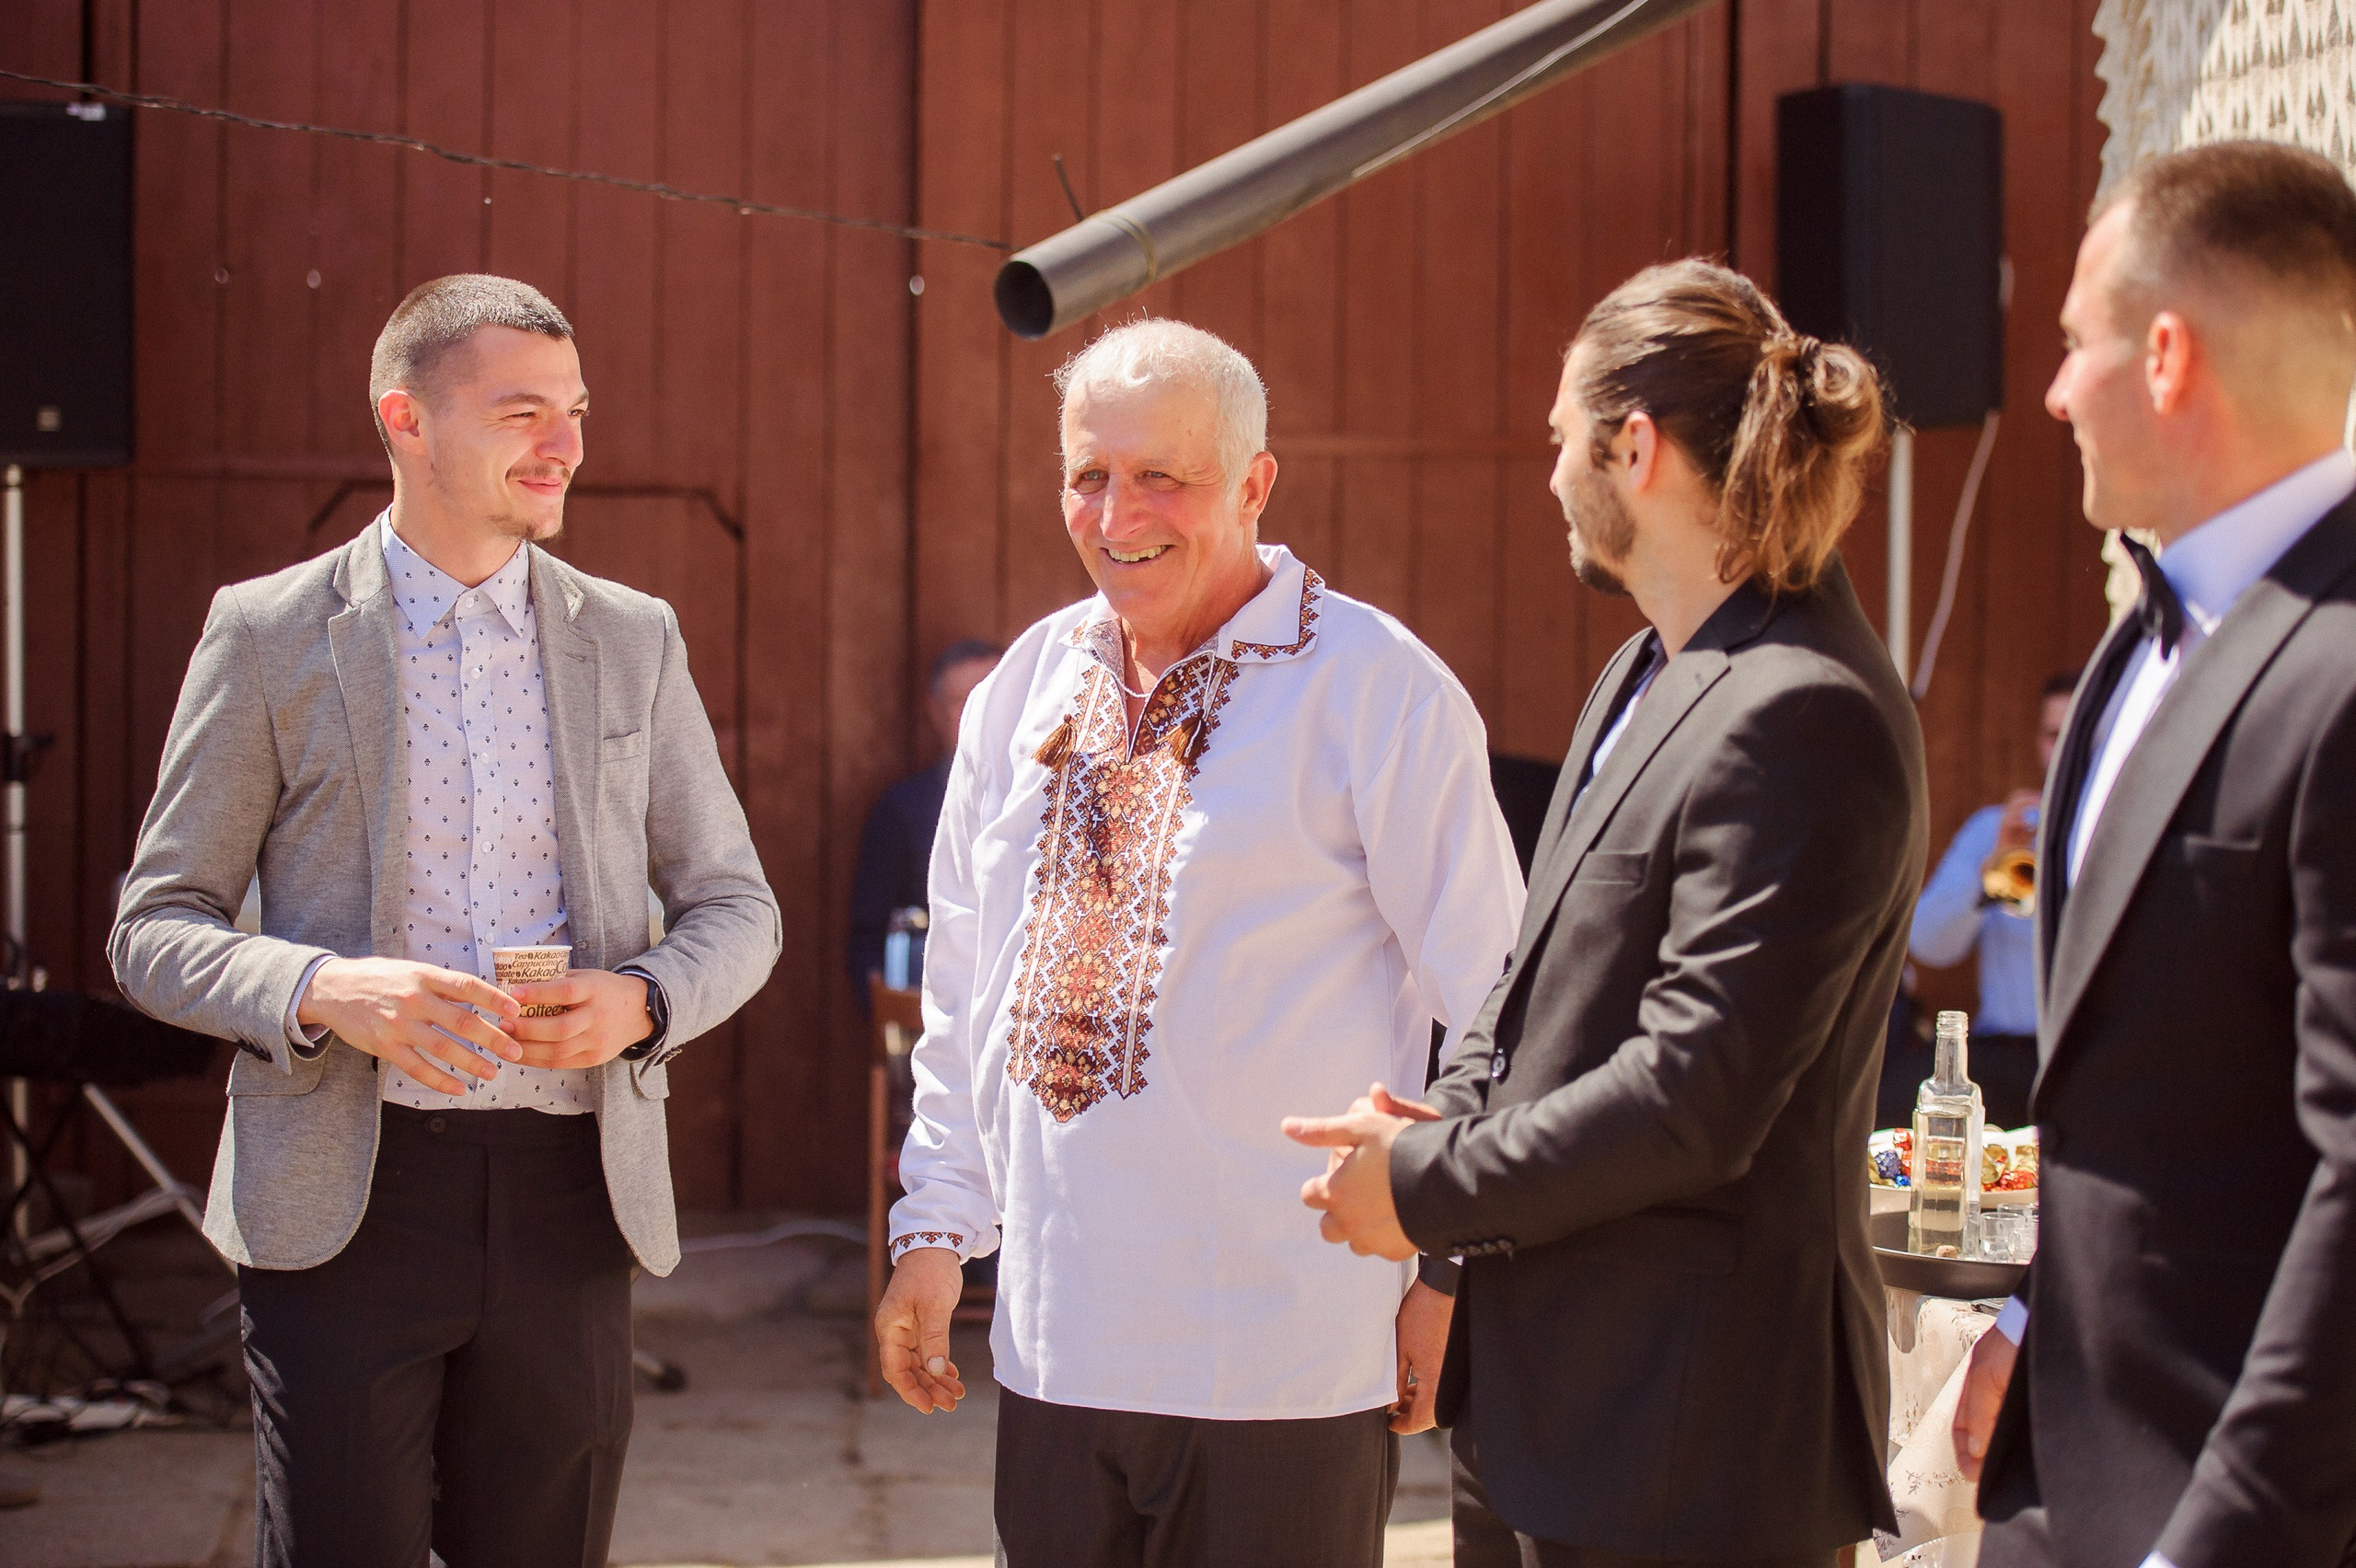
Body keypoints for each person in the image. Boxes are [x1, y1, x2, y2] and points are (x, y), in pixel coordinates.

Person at [110, 275, 781, 1568]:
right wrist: (325, 988)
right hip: (342, 1199)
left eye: (576, 411)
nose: (568, 445)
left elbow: (736, 906)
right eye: (523, 410)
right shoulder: (267, 634)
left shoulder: (635, 638)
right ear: (404, 419)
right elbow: (157, 925)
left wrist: (642, 1000)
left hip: (571, 1195)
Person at [1287, 259, 1925, 1568]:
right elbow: (1531, 998)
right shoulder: (1644, 667)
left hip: (1691, 1445)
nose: (1551, 472)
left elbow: (1696, 1096)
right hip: (1548, 1412)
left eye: (1564, 437)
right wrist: (1438, 1125)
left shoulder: (1805, 710)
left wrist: (1421, 1187)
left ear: (1636, 449)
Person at [872, 319, 1523, 1568]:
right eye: (1087, 474)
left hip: (1285, 1357)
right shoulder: (1025, 685)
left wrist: (1452, 1269)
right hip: (1059, 1346)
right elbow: (965, 984)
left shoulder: (1375, 687)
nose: (1117, 512)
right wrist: (934, 1230)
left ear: (1255, 482)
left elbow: (1498, 1006)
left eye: (1161, 474)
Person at [1953, 141, 2356, 1568]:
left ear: (2168, 354)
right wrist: (2022, 1318)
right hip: (2055, 1485)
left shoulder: (2343, 664)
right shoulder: (2141, 640)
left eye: (2076, 343)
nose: (2056, 390)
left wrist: (2222, 1539)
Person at [1902, 671, 2077, 1128]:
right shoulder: (1995, 829)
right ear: (2037, 742)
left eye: (2078, 732)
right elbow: (1927, 944)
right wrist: (1992, 874)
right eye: (2053, 735)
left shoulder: (2131, 835)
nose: (2064, 748)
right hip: (2005, 1054)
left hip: (2093, 1057)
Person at [846, 638, 1003, 1006]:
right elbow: (868, 942)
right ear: (934, 712)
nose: (982, 714)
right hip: (936, 1019)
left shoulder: (1060, 802)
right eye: (964, 702)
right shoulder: (902, 810)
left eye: (994, 698)